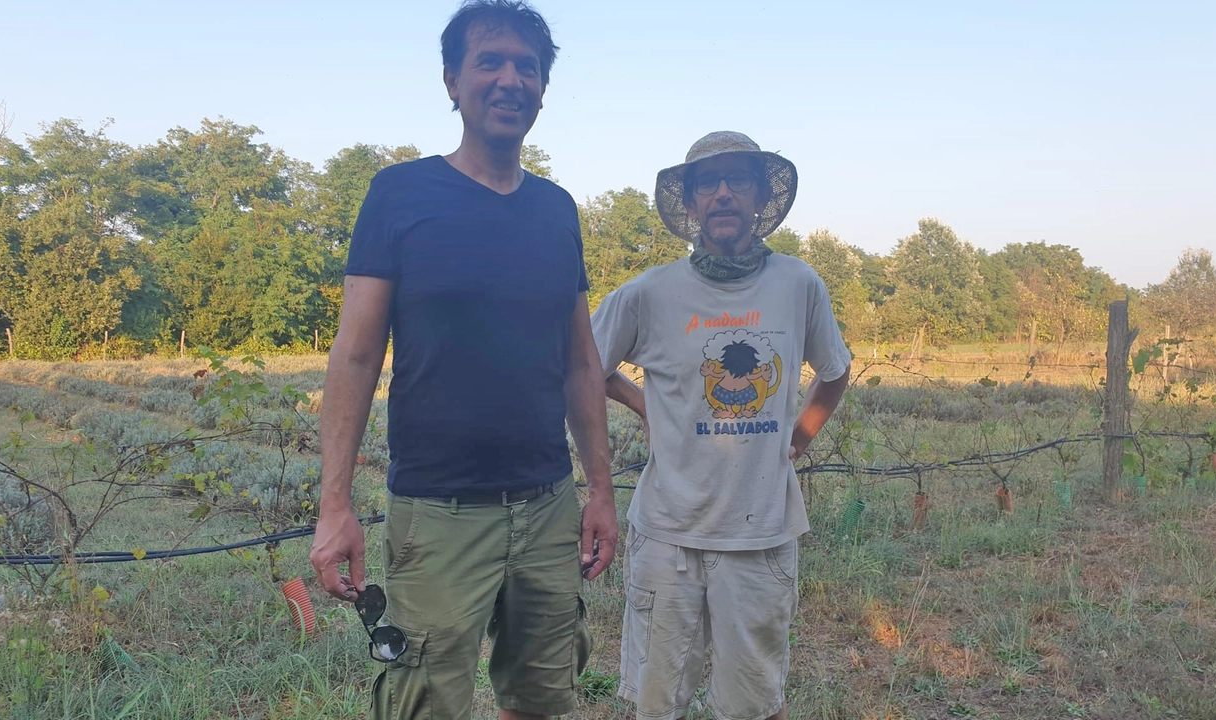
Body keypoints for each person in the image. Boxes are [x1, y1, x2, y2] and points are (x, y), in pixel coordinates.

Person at [308, 2, 619, 718]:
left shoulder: (557, 210)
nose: (511, 80)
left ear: (543, 89)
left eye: (528, 68)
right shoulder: (400, 195)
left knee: (542, 697)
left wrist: (598, 491)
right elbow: (356, 356)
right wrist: (335, 506)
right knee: (423, 702)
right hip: (436, 512)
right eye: (491, 62)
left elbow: (579, 362)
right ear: (452, 82)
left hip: (547, 508)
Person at [590, 131, 852, 720]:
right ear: (691, 203)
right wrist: (646, 408)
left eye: (739, 180)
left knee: (757, 705)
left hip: (760, 538)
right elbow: (583, 367)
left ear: (761, 196)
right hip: (667, 536)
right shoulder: (649, 294)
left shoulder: (798, 285)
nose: (724, 193)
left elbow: (834, 372)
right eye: (709, 182)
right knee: (659, 707)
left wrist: (798, 439)